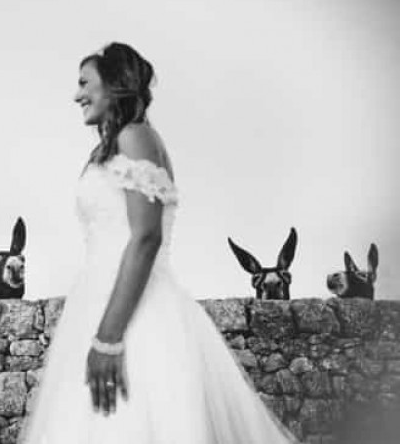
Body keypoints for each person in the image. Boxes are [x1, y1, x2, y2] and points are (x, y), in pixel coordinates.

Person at [20, 42, 299, 443]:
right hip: (95, 304)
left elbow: (146, 237)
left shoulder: (136, 137)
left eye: (84, 83)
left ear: (114, 85)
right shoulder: (107, 148)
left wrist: (109, 339)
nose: (76, 95)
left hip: (137, 317)